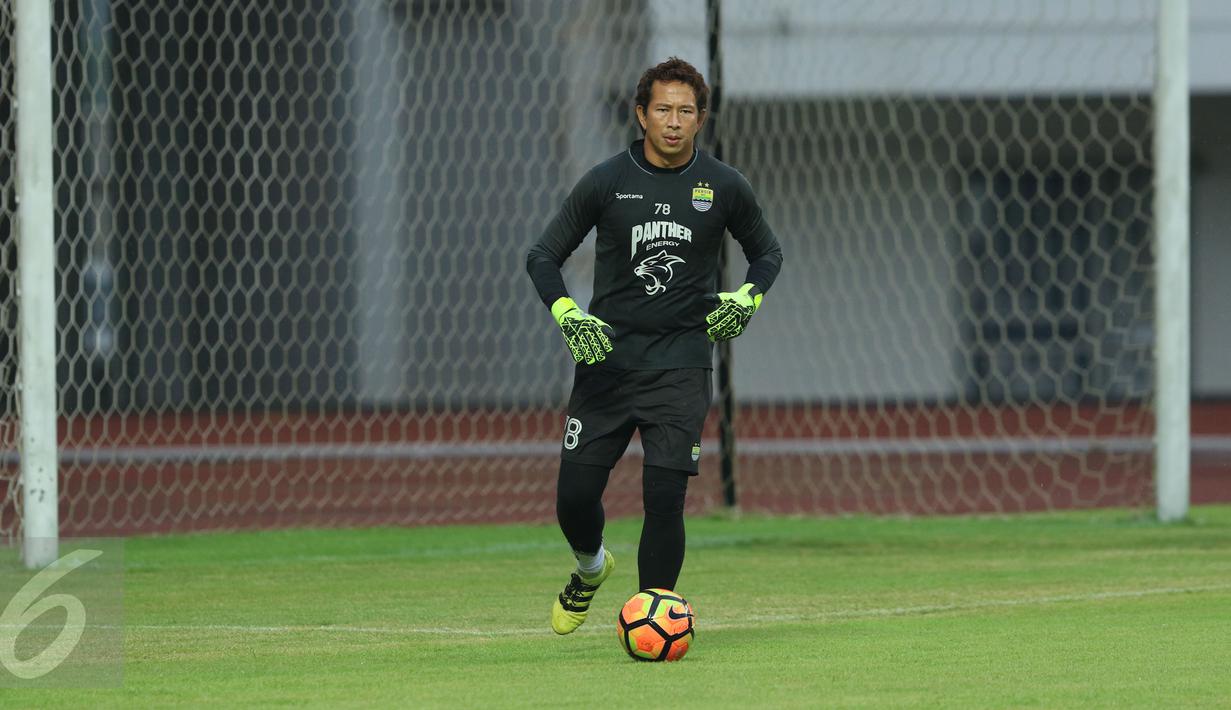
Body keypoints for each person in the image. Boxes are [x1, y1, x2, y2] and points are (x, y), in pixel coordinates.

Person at [525, 57, 783, 635]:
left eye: (685, 111)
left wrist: (747, 299)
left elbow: (768, 254)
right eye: (662, 109)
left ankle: (652, 620)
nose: (673, 121)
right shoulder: (606, 180)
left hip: (681, 366)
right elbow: (542, 256)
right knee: (574, 498)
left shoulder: (723, 186)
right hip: (607, 365)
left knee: (663, 497)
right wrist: (568, 313)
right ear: (641, 114)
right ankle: (590, 570)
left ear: (701, 119)